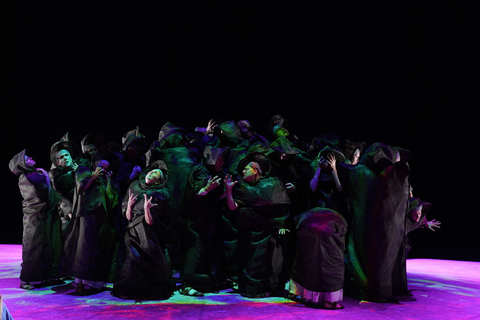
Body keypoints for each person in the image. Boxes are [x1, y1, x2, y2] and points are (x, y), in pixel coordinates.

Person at [337, 142, 411, 303]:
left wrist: (354, 159)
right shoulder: (393, 174)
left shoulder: (361, 173)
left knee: (363, 255)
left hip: (364, 226)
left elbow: (345, 170)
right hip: (387, 228)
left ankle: (368, 288)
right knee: (384, 257)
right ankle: (385, 288)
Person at [224, 152, 290, 298]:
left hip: (268, 233)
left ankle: (268, 289)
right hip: (250, 233)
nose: (242, 172)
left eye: (246, 169)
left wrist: (280, 224)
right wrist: (228, 190)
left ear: (255, 170)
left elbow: (281, 208)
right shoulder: (242, 188)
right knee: (250, 263)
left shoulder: (272, 184)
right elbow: (233, 207)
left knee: (267, 262)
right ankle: (251, 290)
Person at [111, 161, 176, 300]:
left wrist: (147, 209)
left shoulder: (160, 193)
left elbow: (151, 222)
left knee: (152, 262)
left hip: (149, 234)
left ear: (158, 181)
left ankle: (157, 289)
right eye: (151, 171)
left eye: (156, 174)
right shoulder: (134, 186)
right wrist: (129, 206)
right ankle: (128, 289)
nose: (152, 172)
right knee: (132, 262)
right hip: (133, 233)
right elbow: (128, 217)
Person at [62, 157, 119, 295]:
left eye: (106, 167)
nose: (103, 168)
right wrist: (93, 178)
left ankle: (95, 283)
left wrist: (109, 180)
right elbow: (82, 190)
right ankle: (80, 283)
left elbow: (112, 199)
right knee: (84, 248)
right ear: (94, 165)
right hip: (88, 216)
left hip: (102, 218)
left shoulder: (106, 181)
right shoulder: (85, 173)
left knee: (99, 249)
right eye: (101, 165)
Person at [9, 150, 64, 290]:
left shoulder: (37, 173)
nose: (31, 157)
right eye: (26, 158)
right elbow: (35, 198)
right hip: (36, 216)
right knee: (33, 247)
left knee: (49, 245)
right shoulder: (25, 177)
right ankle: (27, 279)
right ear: (21, 165)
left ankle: (46, 277)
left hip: (46, 215)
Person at [179, 146, 229, 296]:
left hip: (210, 218)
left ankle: (205, 282)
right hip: (196, 218)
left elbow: (215, 198)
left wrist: (227, 190)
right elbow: (195, 195)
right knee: (196, 248)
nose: (222, 161)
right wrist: (207, 188)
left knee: (208, 249)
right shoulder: (201, 171)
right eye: (219, 158)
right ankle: (186, 284)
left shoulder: (217, 173)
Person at [288, 207, 347, 310]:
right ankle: (330, 301)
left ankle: (298, 294)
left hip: (307, 224)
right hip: (332, 226)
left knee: (307, 259)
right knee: (331, 261)